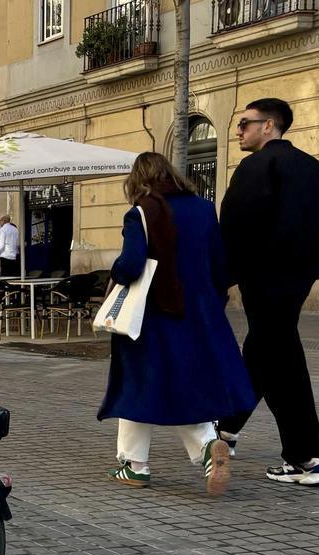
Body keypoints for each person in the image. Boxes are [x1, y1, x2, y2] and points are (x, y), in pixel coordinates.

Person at [98, 152, 256, 495]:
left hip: (152, 317)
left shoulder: (141, 212)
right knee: (185, 382)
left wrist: (114, 274)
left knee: (137, 385)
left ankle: (135, 465)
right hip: (198, 315)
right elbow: (220, 265)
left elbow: (131, 265)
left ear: (138, 178)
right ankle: (207, 447)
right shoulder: (203, 209)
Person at [216, 98, 319, 486]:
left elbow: (235, 227)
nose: (238, 131)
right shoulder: (315, 169)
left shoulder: (256, 167)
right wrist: (311, 271)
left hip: (264, 278)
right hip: (297, 279)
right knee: (265, 351)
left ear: (268, 126)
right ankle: (226, 430)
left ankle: (306, 460)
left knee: (281, 361)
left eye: (244, 124)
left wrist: (223, 279)